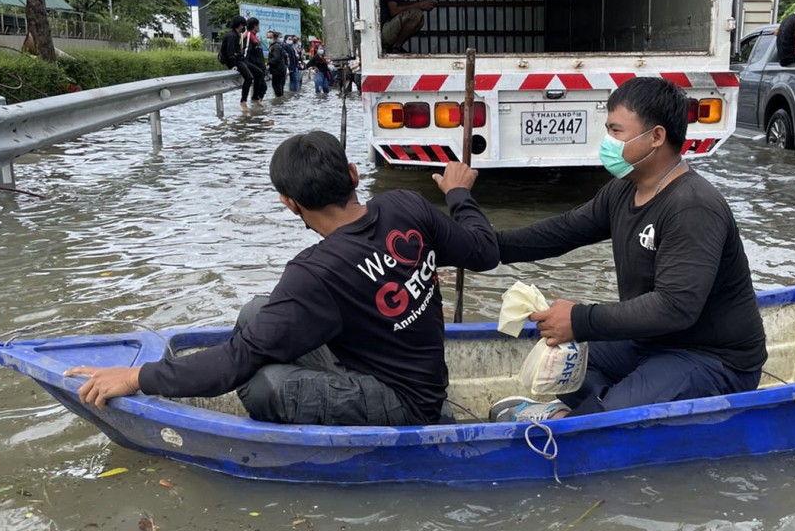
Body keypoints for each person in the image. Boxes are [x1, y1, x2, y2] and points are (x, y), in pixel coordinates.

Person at [65, 131, 500, 426]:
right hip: (407, 368)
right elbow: (485, 250)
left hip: (408, 401)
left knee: (260, 384)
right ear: (352, 174)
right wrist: (459, 193)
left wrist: (135, 377)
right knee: (258, 312)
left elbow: (235, 364)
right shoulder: (405, 204)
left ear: (290, 204)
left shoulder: (316, 271)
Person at [488, 77, 767, 423]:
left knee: (613, 414)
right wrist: (490, 246)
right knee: (562, 366)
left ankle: (577, 420)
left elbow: (675, 307)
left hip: (712, 356)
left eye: (616, 131)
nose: (607, 142)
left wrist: (580, 319)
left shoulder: (692, 206)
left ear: (656, 137)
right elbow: (562, 231)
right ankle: (574, 409)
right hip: (651, 340)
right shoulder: (623, 190)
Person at [219, 16, 257, 108]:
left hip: (240, 59)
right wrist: (233, 65)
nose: (244, 28)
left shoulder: (236, 35)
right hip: (236, 61)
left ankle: (255, 97)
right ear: (240, 25)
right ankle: (243, 101)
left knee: (258, 72)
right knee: (249, 77)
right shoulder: (232, 36)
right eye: (244, 25)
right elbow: (230, 52)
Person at [243, 17, 268, 103]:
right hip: (254, 66)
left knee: (264, 88)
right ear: (254, 25)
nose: (259, 27)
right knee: (261, 84)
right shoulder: (249, 36)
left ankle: (257, 108)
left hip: (260, 67)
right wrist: (245, 63)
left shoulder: (255, 37)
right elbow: (246, 51)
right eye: (258, 25)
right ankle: (255, 100)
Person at [266, 31, 288, 98]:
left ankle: (279, 104)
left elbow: (276, 59)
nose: (268, 39)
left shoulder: (275, 47)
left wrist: (267, 63)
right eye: (267, 37)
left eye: (270, 37)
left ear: (274, 37)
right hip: (280, 70)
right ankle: (280, 104)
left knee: (277, 89)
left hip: (278, 71)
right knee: (280, 89)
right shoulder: (277, 46)